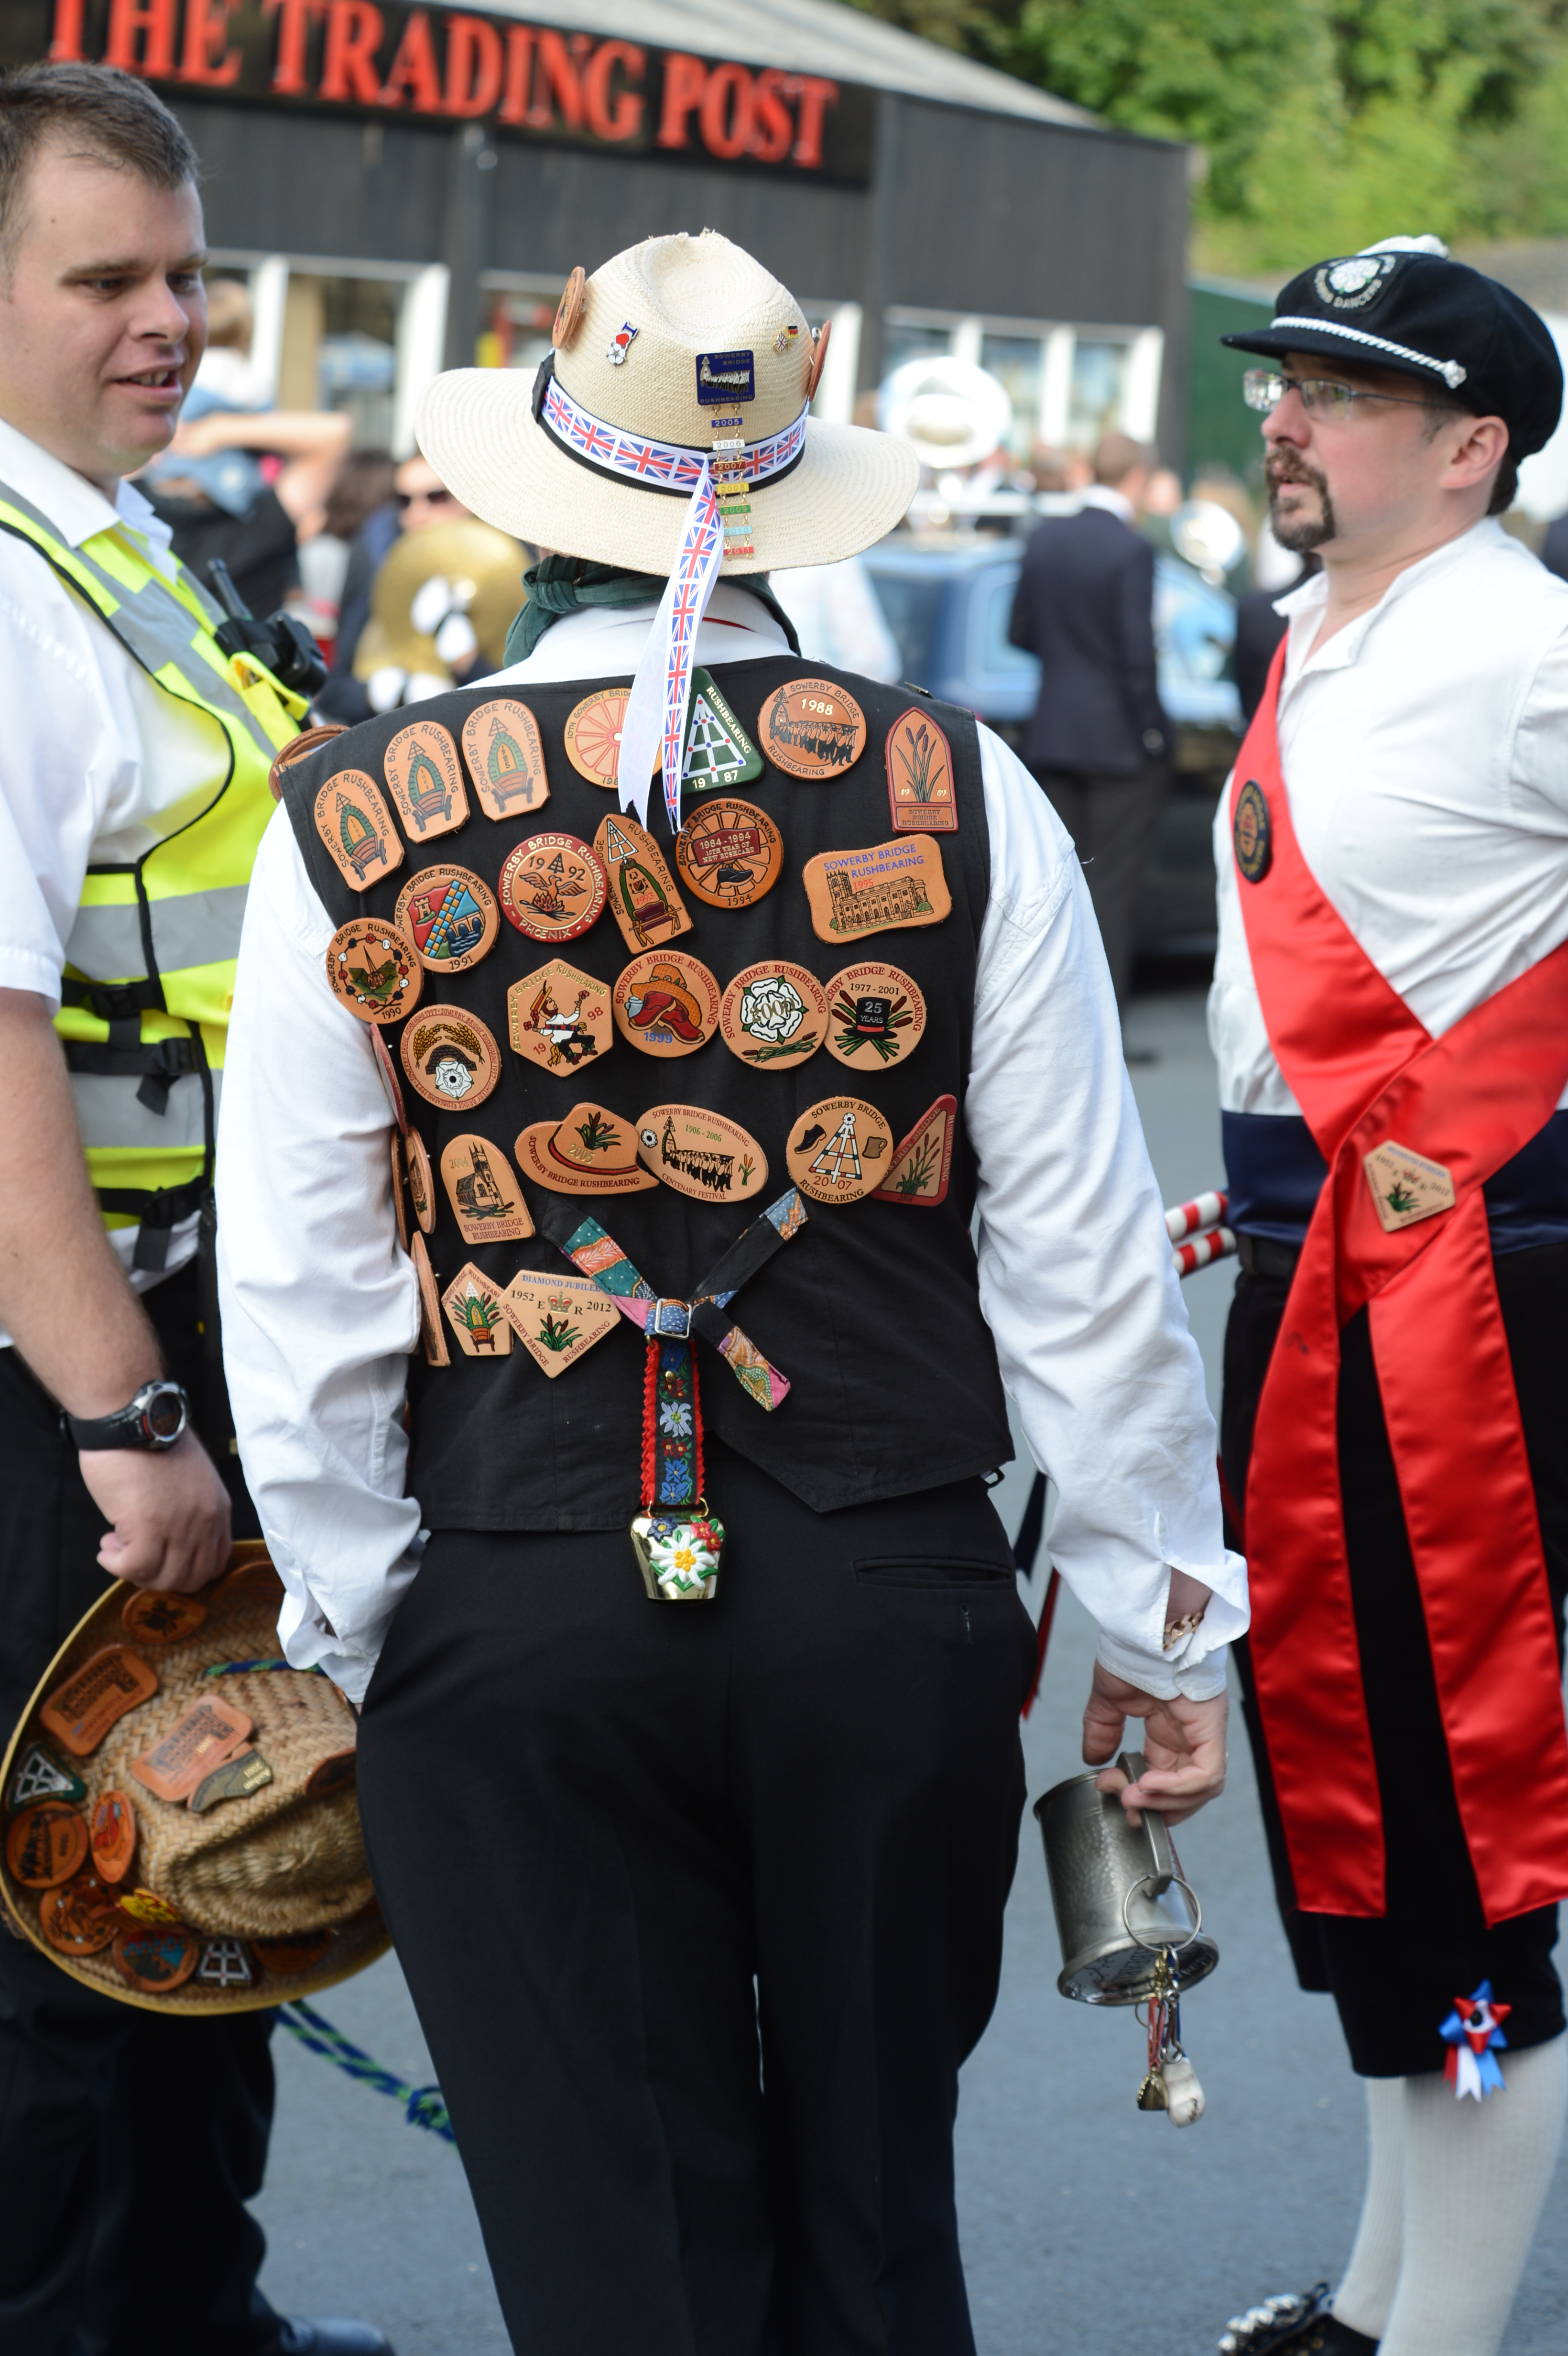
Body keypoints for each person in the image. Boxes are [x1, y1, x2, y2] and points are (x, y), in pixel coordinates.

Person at [217, 229, 1247, 2356]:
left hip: (515, 1591)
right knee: (872, 2228)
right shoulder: (971, 798)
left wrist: (365, 1601)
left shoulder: (343, 816)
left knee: (618, 2268)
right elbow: (1077, 1263)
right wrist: (1159, 1622)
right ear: (786, 506)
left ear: (520, 499)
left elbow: (300, 1279)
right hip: (882, 1591)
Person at [0, 60, 386, 2356]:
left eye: (190, 271)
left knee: (219, 1857)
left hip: (194, 1336)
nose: (174, 320)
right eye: (106, 280)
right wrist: (124, 1415)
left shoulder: (120, 543)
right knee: (63, 1911)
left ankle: (192, 2315)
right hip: (83, 1365)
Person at [1209, 241, 1568, 2356]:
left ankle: (1446, 2333)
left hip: (1457, 1314)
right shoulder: (1323, 633)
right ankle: (1378, 2289)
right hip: (1305, 1270)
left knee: (1453, 1824)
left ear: (1466, 443)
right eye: (1284, 379)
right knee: (1342, 1788)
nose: (1284, 414)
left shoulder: (1526, 648)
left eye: (1335, 391)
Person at [1008, 428, 1169, 1008]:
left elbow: (1018, 630)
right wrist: (1154, 734)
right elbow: (1135, 656)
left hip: (1051, 731)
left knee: (1054, 887)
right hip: (1118, 743)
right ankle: (1101, 1023)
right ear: (1137, 477)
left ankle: (1047, 1014)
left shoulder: (1045, 538)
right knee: (1112, 889)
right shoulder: (1131, 549)